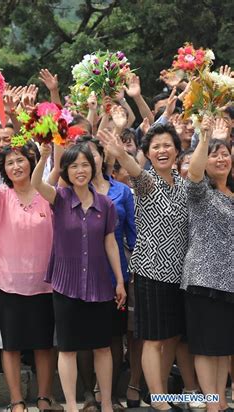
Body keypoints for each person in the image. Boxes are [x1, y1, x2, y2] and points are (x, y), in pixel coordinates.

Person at [31, 142, 126, 412]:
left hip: (99, 283)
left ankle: (106, 402)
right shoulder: (59, 197)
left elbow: (110, 242)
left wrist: (119, 279)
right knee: (68, 348)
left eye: (85, 164)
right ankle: (71, 404)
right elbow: (37, 183)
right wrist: (44, 157)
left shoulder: (105, 203)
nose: (80, 170)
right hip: (65, 284)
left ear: (93, 167)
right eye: (74, 166)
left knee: (102, 347)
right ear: (67, 171)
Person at [99, 124, 187, 411]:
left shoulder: (185, 184)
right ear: (147, 153)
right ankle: (161, 402)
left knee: (172, 336)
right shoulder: (146, 182)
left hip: (180, 274)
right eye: (156, 147)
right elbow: (132, 169)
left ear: (176, 149)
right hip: (151, 272)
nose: (162, 151)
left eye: (167, 145)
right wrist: (122, 153)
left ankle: (157, 391)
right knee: (152, 338)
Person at [0, 140, 60, 412]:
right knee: (11, 346)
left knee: (43, 345)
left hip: (45, 284)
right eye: (10, 162)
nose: (16, 166)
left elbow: (58, 167)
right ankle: (17, 401)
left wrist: (51, 150)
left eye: (21, 160)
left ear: (32, 162)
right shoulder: (1, 195)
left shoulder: (45, 193)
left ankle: (44, 397)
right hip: (9, 284)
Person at [76, 136, 136, 411]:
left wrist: (132, 271)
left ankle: (109, 396)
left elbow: (132, 234)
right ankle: (89, 396)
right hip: (82, 274)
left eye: (93, 154)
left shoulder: (121, 191)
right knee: (85, 336)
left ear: (101, 157)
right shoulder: (73, 191)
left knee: (114, 336)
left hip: (115, 275)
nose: (88, 160)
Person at [182, 116, 234, 412]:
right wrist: (204, 137)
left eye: (225, 153)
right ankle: (213, 404)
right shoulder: (200, 193)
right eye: (215, 154)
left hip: (230, 282)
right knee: (205, 347)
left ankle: (222, 402)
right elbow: (195, 171)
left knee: (222, 347)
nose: (221, 158)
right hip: (203, 279)